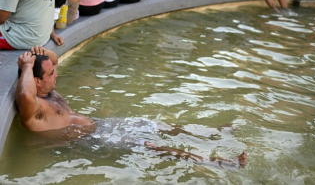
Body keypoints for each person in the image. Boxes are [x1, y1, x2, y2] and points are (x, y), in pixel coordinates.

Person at [15, 45, 247, 168]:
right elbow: (25, 93)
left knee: (158, 126)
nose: (57, 73)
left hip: (101, 126)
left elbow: (54, 60)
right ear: (37, 80)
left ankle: (211, 133)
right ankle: (218, 164)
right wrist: (27, 65)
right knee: (150, 145)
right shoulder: (35, 108)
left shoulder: (48, 90)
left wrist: (43, 54)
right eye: (51, 73)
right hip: (89, 141)